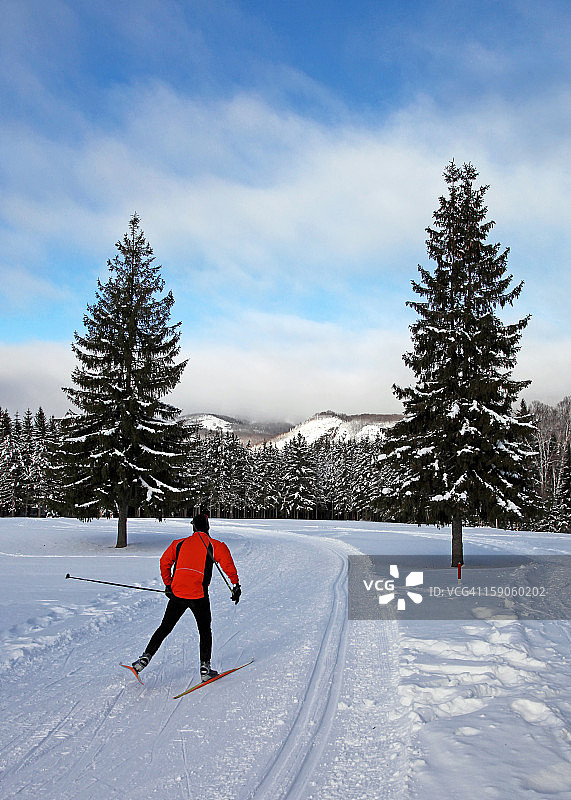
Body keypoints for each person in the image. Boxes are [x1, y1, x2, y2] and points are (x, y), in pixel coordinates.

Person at [131, 513, 241, 681]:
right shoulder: (215, 545)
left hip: (178, 594)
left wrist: (168, 584)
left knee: (164, 628)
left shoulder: (179, 544)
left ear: (193, 527)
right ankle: (205, 669)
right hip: (199, 596)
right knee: (205, 631)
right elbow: (228, 565)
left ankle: (143, 659)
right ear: (208, 527)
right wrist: (235, 585)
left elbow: (164, 562)